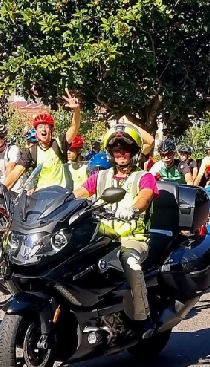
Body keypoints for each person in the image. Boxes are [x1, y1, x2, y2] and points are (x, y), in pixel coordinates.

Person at [73, 123, 159, 338]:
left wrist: (133, 209)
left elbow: (146, 195)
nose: (121, 153)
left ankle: (143, 318)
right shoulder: (100, 177)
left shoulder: (143, 176)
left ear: (134, 152)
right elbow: (79, 193)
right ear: (110, 153)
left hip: (132, 238)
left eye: (126, 148)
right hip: (101, 239)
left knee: (130, 264)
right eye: (116, 149)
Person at [0, 90, 82, 191]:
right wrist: (1, 189)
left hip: (60, 195)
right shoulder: (31, 151)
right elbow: (16, 172)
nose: (43, 129)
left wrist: (76, 110)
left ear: (51, 130)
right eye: (40, 127)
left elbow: (74, 127)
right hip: (40, 197)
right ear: (36, 131)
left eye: (46, 127)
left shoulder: (58, 143)